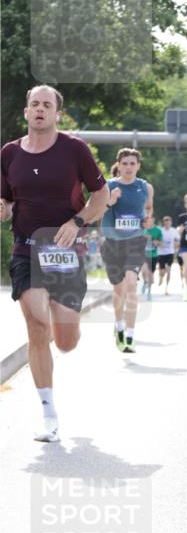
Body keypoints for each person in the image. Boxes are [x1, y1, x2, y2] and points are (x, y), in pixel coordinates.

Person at [0, 85, 109, 442]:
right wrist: (4, 210)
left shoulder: (74, 149)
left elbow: (101, 194)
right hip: (26, 249)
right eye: (35, 104)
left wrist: (77, 222)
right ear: (26, 111)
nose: (40, 109)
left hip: (64, 252)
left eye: (47, 105)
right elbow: (7, 202)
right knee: (36, 325)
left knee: (65, 340)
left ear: (57, 114)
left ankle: (65, 333)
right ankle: (48, 413)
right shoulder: (9, 153)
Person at [100, 148, 153, 354]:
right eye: (125, 164)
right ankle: (118, 323)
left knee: (131, 283)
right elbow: (95, 211)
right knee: (119, 289)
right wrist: (110, 202)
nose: (129, 167)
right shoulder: (108, 186)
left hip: (135, 241)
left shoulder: (145, 187)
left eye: (132, 163)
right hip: (112, 243)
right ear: (119, 165)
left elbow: (148, 210)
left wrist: (147, 221)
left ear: (138, 166)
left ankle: (130, 335)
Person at [141, 213, 163, 300]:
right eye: (146, 218)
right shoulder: (143, 230)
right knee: (144, 270)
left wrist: (154, 240)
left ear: (153, 219)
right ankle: (145, 282)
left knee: (150, 275)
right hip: (143, 254)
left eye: (149, 218)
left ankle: (149, 292)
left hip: (153, 255)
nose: (148, 220)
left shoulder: (158, 231)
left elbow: (161, 244)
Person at [157, 215, 178, 294]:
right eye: (166, 223)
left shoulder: (174, 231)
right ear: (164, 223)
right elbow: (155, 241)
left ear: (171, 223)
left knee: (168, 270)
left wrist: (176, 244)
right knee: (162, 271)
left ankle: (166, 288)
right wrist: (159, 243)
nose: (167, 225)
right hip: (161, 253)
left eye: (168, 223)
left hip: (170, 253)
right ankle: (161, 277)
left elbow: (178, 239)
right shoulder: (160, 231)